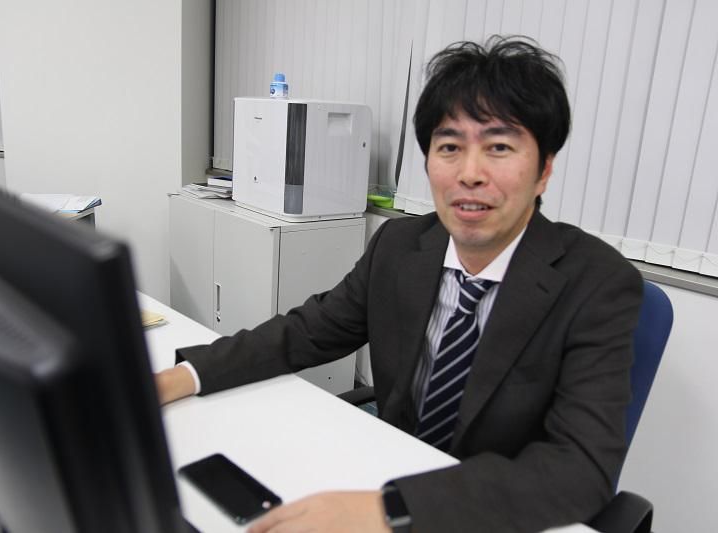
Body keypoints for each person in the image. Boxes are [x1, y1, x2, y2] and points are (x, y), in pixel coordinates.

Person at [156, 35, 643, 532]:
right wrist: (185, 376)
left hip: (493, 513)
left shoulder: (598, 284)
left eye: (499, 147)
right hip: (388, 467)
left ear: (543, 170)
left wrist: (391, 510)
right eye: (449, 147)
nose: (470, 173)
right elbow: (307, 331)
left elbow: (580, 468)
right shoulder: (402, 246)